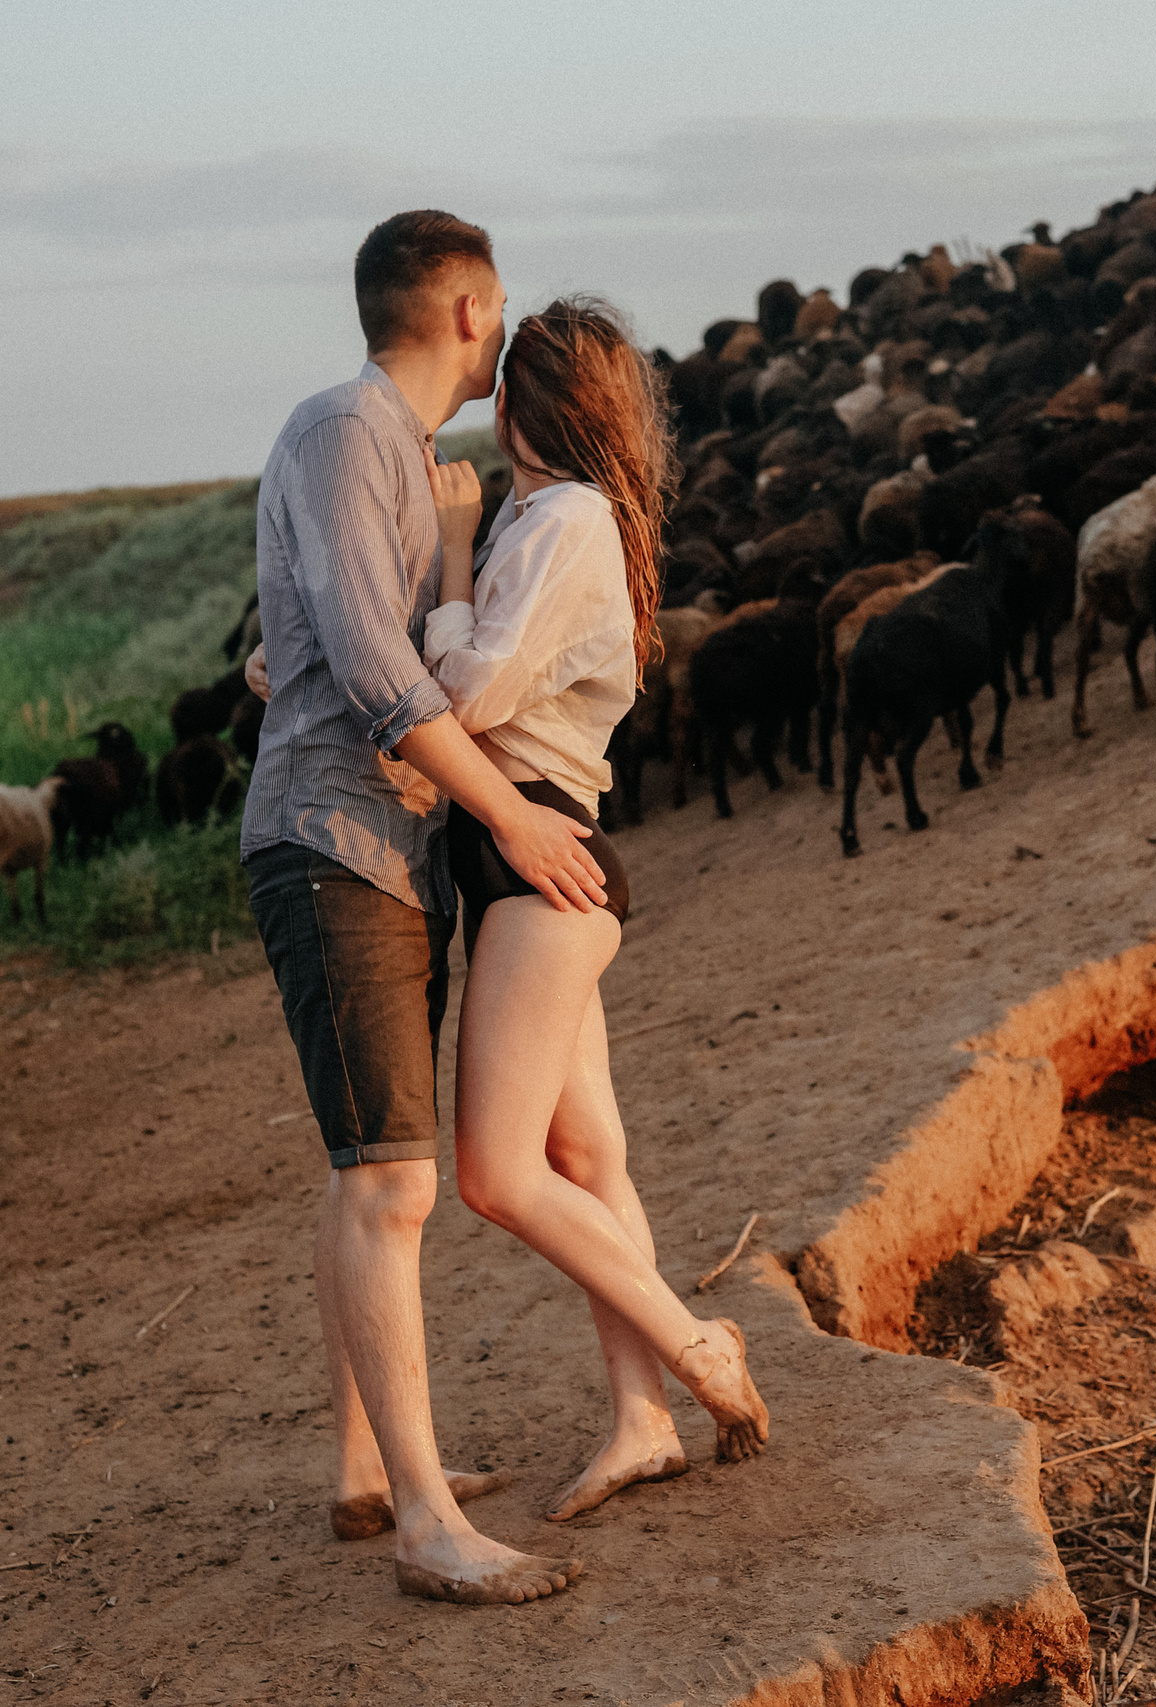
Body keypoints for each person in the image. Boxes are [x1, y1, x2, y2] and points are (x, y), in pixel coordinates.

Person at [238, 210, 612, 1606]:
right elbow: (378, 668)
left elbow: (301, 644)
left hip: (387, 846)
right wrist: (515, 813)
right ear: (466, 308)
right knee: (390, 1176)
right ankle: (424, 1520)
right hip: (335, 836)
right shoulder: (344, 429)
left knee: (371, 1163)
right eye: (500, 304)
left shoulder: (403, 459)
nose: (506, 328)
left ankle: (364, 1470)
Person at [420, 297, 771, 1524]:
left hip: (541, 858)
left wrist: (454, 559)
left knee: (493, 1173)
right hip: (532, 859)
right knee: (587, 1156)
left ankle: (693, 1348)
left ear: (522, 400)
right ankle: (641, 1423)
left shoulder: (562, 520)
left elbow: (471, 690)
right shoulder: (558, 515)